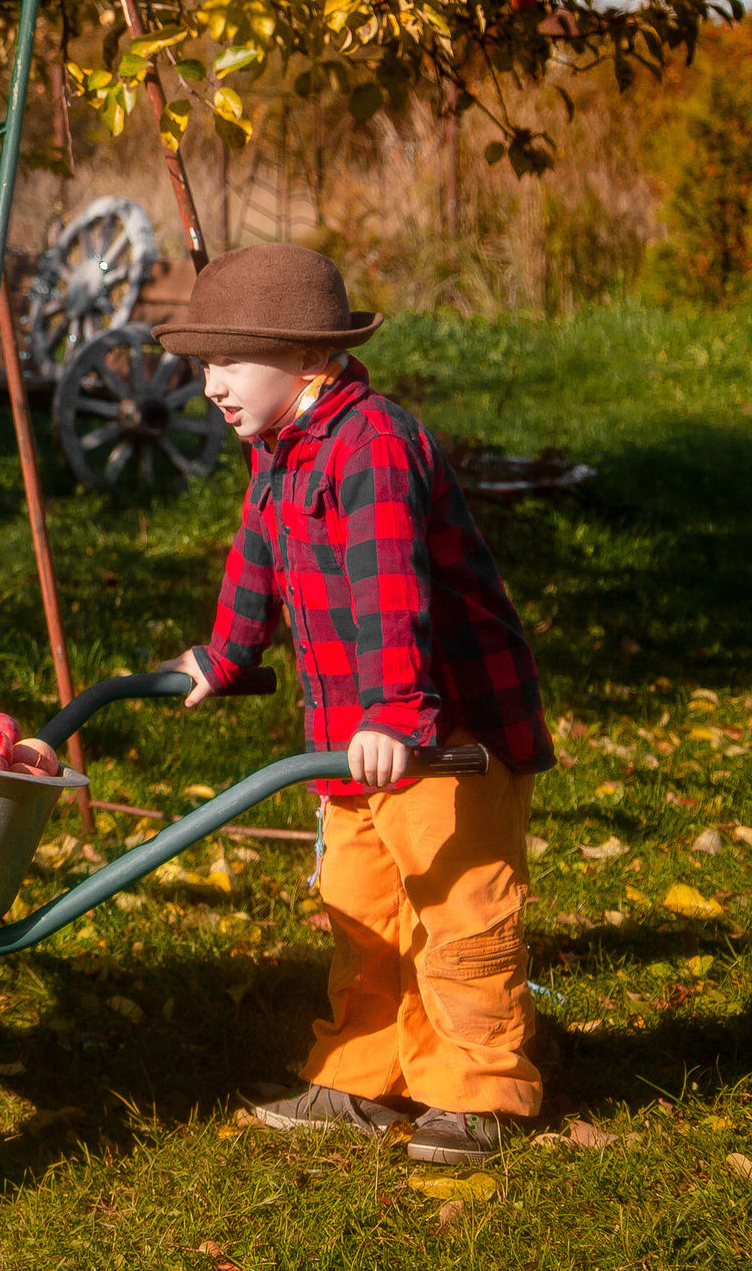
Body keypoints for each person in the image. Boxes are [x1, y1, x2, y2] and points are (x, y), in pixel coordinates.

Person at [156, 242, 554, 1167]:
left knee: (458, 904)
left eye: (229, 363)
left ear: (305, 360)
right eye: (204, 366)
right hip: (357, 728)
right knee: (362, 900)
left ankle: (480, 1089)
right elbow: (256, 562)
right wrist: (225, 654)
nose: (212, 385)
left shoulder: (371, 443)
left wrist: (395, 711)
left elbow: (392, 591)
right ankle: (364, 1074)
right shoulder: (281, 449)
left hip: (443, 724)